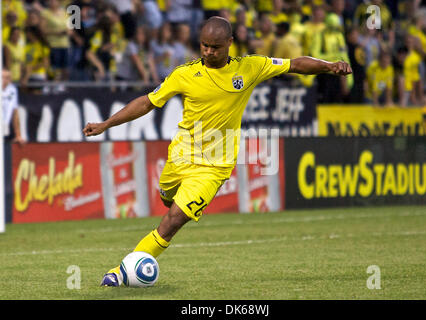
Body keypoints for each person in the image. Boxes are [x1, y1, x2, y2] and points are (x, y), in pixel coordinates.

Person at [83, 16, 352, 287]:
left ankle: (121, 272)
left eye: (215, 47)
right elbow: (147, 103)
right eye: (204, 46)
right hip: (181, 156)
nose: (208, 52)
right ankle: (168, 198)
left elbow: (294, 65)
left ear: (230, 44)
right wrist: (106, 124)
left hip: (214, 166)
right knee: (167, 199)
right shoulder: (184, 74)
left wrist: (329, 66)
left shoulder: (250, 66)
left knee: (174, 219)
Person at [2, 70, 26, 223]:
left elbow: (15, 112)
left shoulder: (12, 90)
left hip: (5, 131)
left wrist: (18, 133)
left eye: (9, 77)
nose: (8, 79)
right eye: (4, 77)